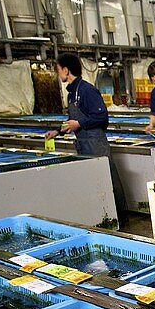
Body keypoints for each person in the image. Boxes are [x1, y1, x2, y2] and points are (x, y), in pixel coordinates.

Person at [44, 53, 125, 211]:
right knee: (94, 181)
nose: (57, 73)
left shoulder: (87, 90)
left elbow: (102, 117)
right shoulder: (71, 94)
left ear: (66, 70)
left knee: (108, 179)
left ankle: (120, 217)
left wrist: (79, 123)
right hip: (83, 144)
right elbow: (71, 120)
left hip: (95, 143)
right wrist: (57, 131)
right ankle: (103, 213)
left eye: (58, 69)